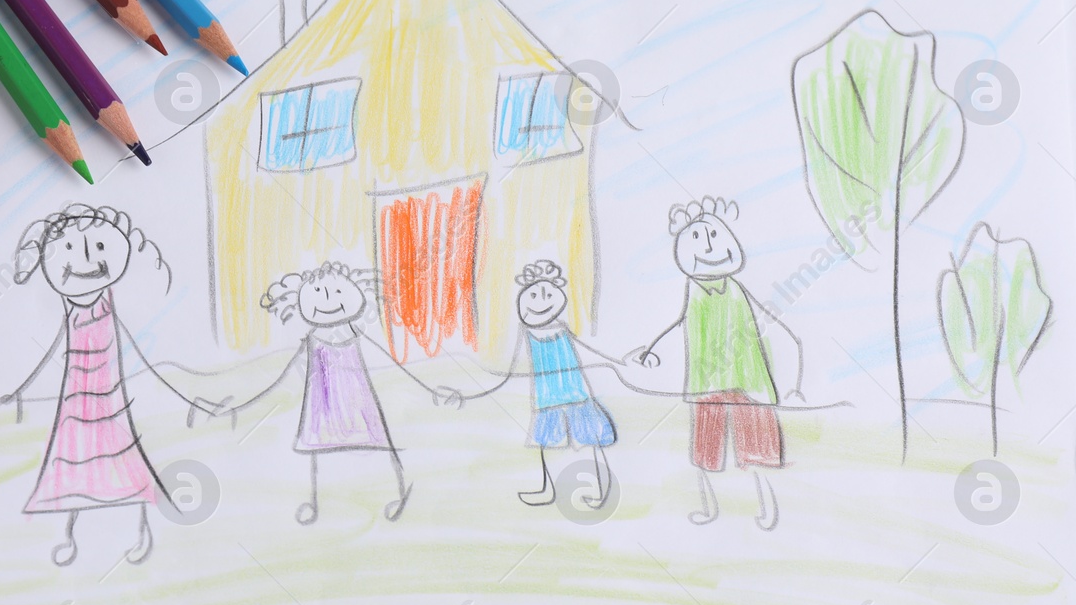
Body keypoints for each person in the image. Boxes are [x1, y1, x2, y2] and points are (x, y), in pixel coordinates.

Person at [0, 204, 211, 567]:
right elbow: (55, 348)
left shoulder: (107, 303)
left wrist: (179, 393)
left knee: (125, 454)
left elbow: (135, 349)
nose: (85, 258)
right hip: (77, 400)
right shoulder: (70, 309)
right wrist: (21, 390)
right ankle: (72, 534)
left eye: (97, 248)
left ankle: (140, 530)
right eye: (68, 250)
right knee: (73, 456)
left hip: (111, 399)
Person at [228, 261, 456, 525]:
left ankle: (399, 491)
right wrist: (244, 405)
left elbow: (392, 362)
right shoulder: (313, 341)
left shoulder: (355, 334)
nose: (328, 300)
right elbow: (284, 378)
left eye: (337, 293)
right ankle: (315, 504)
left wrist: (430, 389)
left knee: (383, 443)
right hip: (323, 408)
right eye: (319, 294)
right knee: (316, 452)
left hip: (359, 404)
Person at [632, 197, 802, 530]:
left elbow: (767, 314)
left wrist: (791, 343)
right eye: (698, 239)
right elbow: (678, 322)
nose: (710, 246)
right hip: (706, 383)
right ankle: (710, 508)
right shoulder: (693, 291)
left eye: (714, 236)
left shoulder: (737, 288)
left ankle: (768, 508)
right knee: (706, 452)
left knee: (759, 451)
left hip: (749, 382)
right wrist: (652, 350)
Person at [461, 261, 625, 512]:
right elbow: (513, 368)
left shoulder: (561, 330)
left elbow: (587, 351)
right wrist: (476, 390)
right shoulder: (527, 333)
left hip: (576, 395)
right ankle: (547, 488)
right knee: (545, 444)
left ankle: (602, 487)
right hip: (546, 400)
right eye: (534, 295)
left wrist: (615, 363)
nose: (541, 301)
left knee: (591, 439)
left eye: (547, 294)